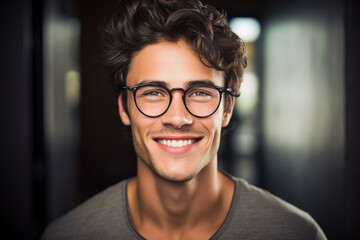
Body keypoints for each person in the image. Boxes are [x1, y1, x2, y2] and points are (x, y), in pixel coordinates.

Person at [41, 0, 327, 239]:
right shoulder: (69, 235)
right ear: (124, 108)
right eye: (153, 92)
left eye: (200, 92)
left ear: (227, 109)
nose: (177, 117)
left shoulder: (296, 233)